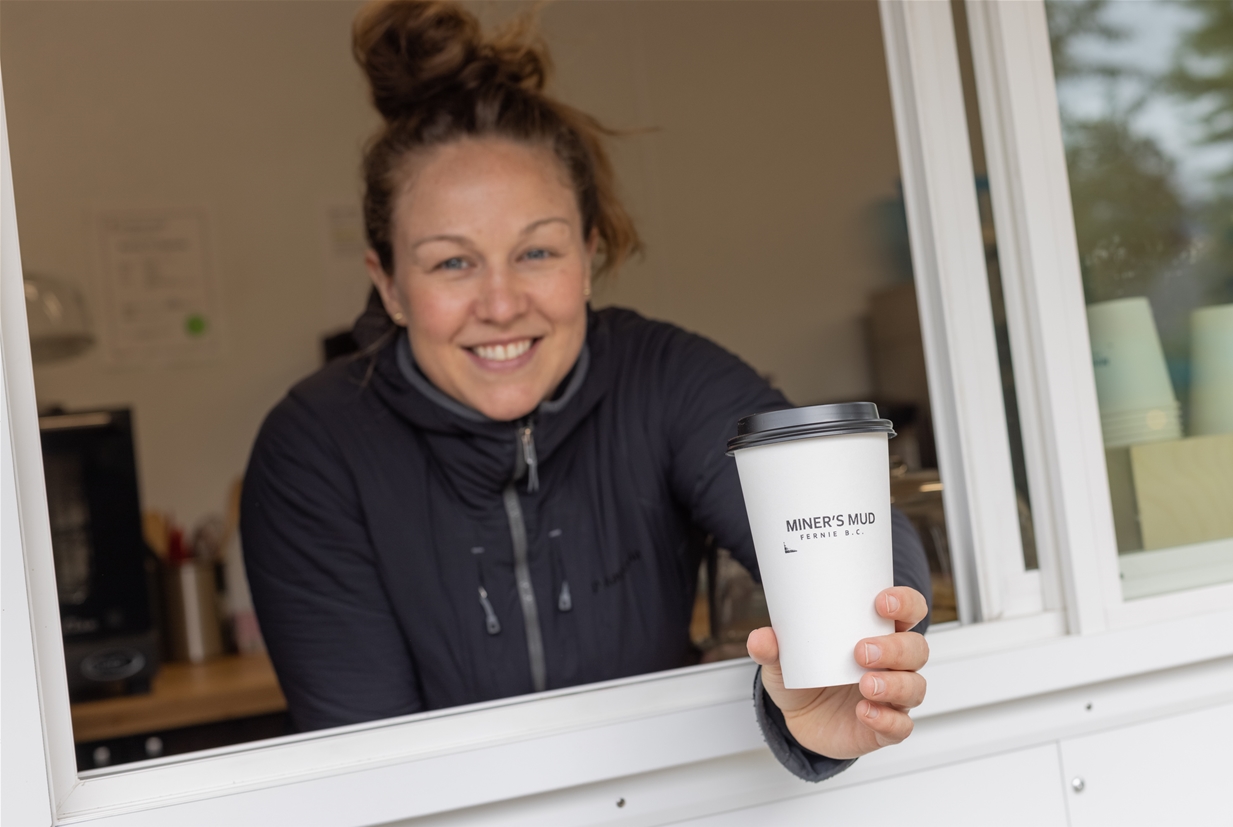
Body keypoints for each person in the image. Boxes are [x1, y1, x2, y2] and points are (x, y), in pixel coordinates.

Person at [241, 0, 931, 783]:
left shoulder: (663, 377)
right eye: (452, 262)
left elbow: (850, 524)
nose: (501, 304)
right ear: (389, 284)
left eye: (536, 252)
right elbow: (375, 773)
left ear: (589, 255)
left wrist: (846, 674)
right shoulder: (315, 449)